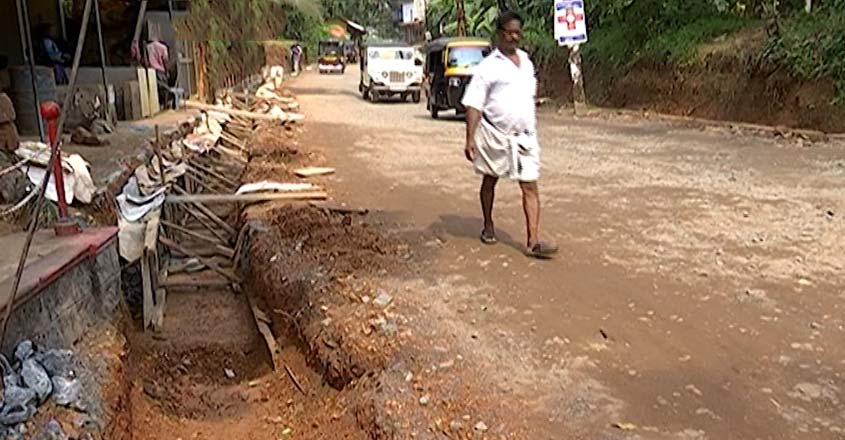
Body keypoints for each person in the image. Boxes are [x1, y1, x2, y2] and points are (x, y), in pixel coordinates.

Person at [461, 11, 558, 259]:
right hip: (495, 135)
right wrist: (470, 139)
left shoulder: (526, 61)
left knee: (530, 185)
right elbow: (474, 103)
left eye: (517, 32)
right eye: (509, 32)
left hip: (525, 137)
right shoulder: (488, 67)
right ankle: (488, 224)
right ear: (499, 34)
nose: (514, 37)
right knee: (490, 180)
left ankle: (533, 241)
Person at [145, 37, 170, 105]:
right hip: (160, 71)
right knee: (164, 89)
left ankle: (156, 104)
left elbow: (146, 61)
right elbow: (165, 61)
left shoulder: (148, 47)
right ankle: (164, 104)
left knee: (154, 89)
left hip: (151, 71)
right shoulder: (163, 48)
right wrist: (167, 71)